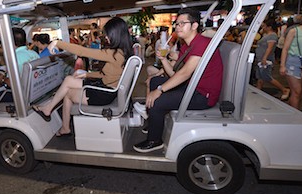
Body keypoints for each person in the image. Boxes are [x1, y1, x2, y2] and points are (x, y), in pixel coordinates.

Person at [133, 8, 223, 153]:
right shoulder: (186, 45)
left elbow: (185, 73)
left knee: (157, 99)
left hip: (203, 95)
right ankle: (154, 121)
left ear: (194, 26)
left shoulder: (202, 43)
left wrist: (160, 90)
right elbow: (174, 73)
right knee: (155, 81)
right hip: (191, 87)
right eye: (177, 23)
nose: (178, 26)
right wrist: (163, 59)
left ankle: (154, 140)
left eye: (183, 23)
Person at [34, 17, 133, 137]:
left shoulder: (114, 54)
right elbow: (111, 76)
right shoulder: (123, 52)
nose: (106, 37)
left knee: (68, 93)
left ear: (116, 34)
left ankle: (61, 123)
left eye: (108, 35)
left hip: (103, 93)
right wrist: (87, 74)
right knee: (69, 80)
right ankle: (51, 112)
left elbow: (83, 51)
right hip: (106, 89)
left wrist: (57, 42)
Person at [0, 28, 40, 111]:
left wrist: (2, 79)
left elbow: (14, 84)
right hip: (36, 92)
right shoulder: (33, 53)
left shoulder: (14, 58)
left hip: (23, 95)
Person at [254, 18, 290, 100]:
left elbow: (269, 48)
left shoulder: (272, 36)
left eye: (264, 26)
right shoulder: (267, 35)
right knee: (260, 77)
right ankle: (258, 91)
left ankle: (284, 89)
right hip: (261, 58)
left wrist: (264, 58)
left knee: (266, 76)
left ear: (269, 27)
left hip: (266, 59)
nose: (263, 28)